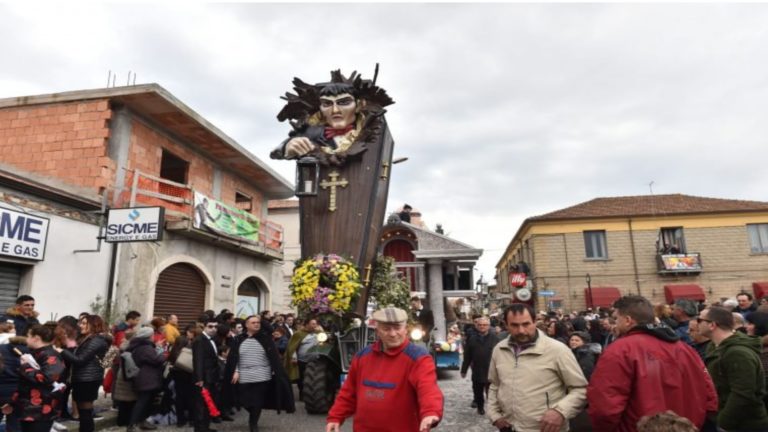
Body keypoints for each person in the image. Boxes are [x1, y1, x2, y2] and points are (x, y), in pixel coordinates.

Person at [587, 295, 717, 432]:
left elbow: (604, 406)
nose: (614, 324)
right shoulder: (685, 349)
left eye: (616, 318)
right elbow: (709, 394)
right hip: (686, 426)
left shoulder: (619, 351)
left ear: (627, 320)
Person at [326, 307, 443, 432]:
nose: (392, 334)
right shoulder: (362, 357)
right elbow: (348, 391)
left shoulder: (418, 358)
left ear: (405, 330)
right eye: (386, 329)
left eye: (397, 328)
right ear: (377, 331)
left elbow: (428, 389)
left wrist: (430, 412)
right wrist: (335, 417)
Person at [487, 304, 587, 432]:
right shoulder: (499, 349)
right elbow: (495, 385)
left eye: (526, 324)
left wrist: (560, 412)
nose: (521, 330)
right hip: (509, 427)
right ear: (506, 325)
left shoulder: (557, 350)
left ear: (535, 322)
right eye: (514, 325)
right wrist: (494, 415)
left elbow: (580, 389)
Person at [699, 306, 768, 431]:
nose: (696, 323)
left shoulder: (738, 353)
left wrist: (724, 422)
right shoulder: (714, 346)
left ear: (712, 325)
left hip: (744, 425)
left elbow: (743, 393)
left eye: (700, 320)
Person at [228, 315, 294, 432]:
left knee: (257, 401)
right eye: (253, 322)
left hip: (262, 374)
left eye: (258, 322)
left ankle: (253, 424)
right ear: (246, 325)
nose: (256, 324)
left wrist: (274, 370)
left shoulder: (265, 338)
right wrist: (236, 370)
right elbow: (234, 357)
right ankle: (252, 414)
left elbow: (272, 354)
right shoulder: (238, 339)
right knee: (244, 401)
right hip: (244, 374)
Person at [4, 323, 65, 432]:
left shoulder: (51, 355)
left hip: (41, 410)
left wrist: (26, 367)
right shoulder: (36, 354)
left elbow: (47, 378)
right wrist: (12, 403)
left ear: (36, 338)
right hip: (29, 408)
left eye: (28, 336)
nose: (26, 339)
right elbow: (25, 383)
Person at [60, 314, 109, 432]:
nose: (80, 325)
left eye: (84, 323)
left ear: (93, 325)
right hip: (83, 378)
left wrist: (61, 350)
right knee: (84, 412)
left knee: (85, 412)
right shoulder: (86, 339)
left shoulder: (96, 340)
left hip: (88, 379)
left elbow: (80, 360)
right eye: (80, 323)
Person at [126, 327, 165, 432]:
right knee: (142, 402)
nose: (154, 337)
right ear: (149, 336)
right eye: (153, 335)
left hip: (145, 377)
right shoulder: (145, 348)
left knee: (147, 401)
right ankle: (132, 425)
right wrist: (161, 351)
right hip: (146, 378)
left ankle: (142, 422)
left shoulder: (140, 346)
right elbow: (157, 360)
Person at [460, 316, 495, 415]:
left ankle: (493, 409)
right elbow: (467, 356)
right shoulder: (472, 339)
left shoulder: (495, 338)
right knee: (477, 391)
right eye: (480, 325)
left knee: (492, 392)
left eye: (484, 325)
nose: (482, 327)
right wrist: (464, 370)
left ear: (488, 326)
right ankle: (480, 407)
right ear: (477, 326)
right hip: (477, 370)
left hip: (491, 370)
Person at [192, 317, 221, 432]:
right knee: (201, 405)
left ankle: (205, 427)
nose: (213, 329)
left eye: (215, 327)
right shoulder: (200, 340)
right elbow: (198, 360)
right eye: (210, 326)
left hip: (211, 377)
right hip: (203, 378)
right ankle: (199, 429)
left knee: (208, 403)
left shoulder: (212, 339)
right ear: (204, 326)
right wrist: (199, 378)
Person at [0, 334, 28, 432]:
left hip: (1, 388)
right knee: (14, 424)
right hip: (18, 392)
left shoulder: (2, 348)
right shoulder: (30, 351)